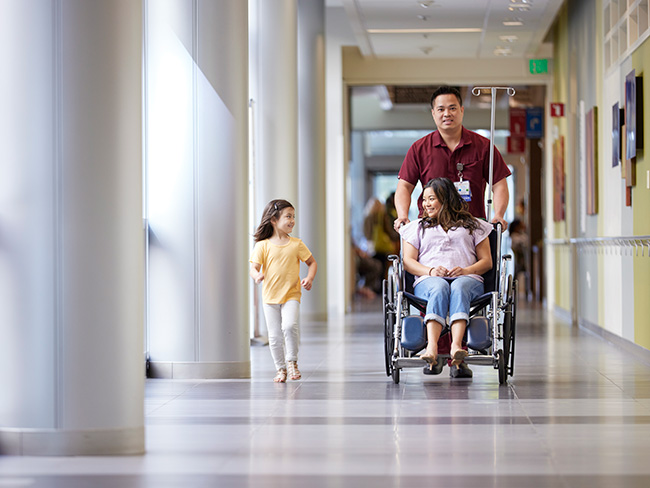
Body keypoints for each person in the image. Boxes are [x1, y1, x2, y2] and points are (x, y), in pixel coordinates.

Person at [393, 85, 511, 378]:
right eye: (441, 109)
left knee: (461, 289)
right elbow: (404, 187)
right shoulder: (420, 148)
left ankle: (460, 357)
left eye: (452, 108)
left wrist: (498, 215)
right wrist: (402, 216)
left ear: (461, 110)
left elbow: (499, 184)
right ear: (433, 113)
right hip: (432, 234)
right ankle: (434, 354)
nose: (447, 114)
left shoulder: (482, 146)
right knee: (436, 288)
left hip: (469, 234)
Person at [400, 178, 492, 372]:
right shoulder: (417, 227)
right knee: (439, 286)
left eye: (431, 199)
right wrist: (431, 271)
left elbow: (487, 262)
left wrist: (466, 270)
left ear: (446, 198)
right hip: (429, 280)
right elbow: (408, 261)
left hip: (469, 279)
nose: (426, 204)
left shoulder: (473, 225)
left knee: (458, 286)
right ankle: (431, 347)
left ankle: (456, 346)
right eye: (424, 200)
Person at [250, 199, 317, 383]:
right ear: (274, 219)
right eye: (288, 216)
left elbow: (312, 263)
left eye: (293, 217)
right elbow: (253, 268)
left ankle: (292, 362)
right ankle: (280, 369)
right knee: (274, 336)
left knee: (289, 326)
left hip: (291, 294)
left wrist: (309, 278)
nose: (292, 220)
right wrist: (257, 276)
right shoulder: (262, 245)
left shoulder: (296, 244)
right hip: (270, 297)